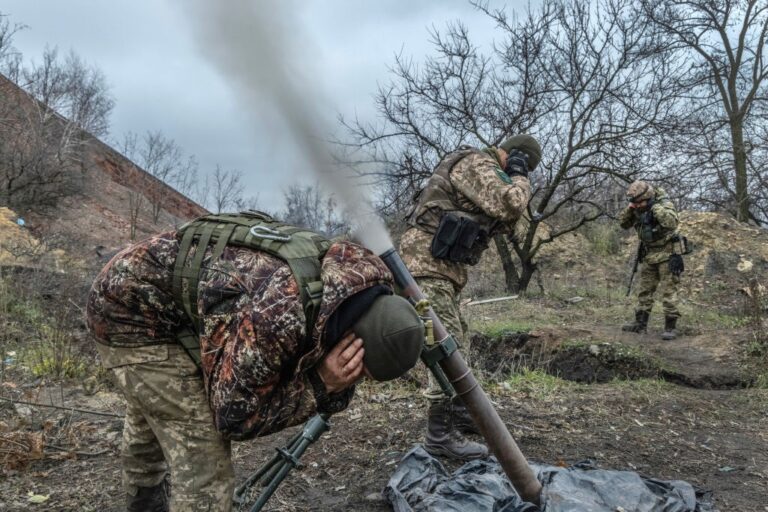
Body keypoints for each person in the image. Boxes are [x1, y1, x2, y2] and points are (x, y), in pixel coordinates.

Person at [86, 213, 424, 512]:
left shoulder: (361, 280)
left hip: (150, 285)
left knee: (157, 409)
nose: (356, 379)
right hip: (126, 311)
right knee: (204, 464)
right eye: (360, 372)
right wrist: (319, 384)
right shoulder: (280, 318)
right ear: (352, 342)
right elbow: (233, 417)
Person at [399, 135, 538, 460]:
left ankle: (462, 412)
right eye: (521, 163)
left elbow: (508, 221)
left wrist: (513, 184)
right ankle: (439, 435)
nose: (520, 171)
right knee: (446, 347)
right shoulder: (476, 162)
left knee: (457, 337)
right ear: (513, 155)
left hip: (440, 268)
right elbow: (511, 203)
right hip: (426, 265)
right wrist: (520, 178)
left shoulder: (486, 175)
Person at [619, 180, 684, 340]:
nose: (637, 205)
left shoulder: (663, 204)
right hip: (649, 254)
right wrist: (630, 209)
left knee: (669, 291)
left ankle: (670, 327)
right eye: (635, 202)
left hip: (667, 253)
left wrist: (654, 207)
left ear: (648, 198)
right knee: (645, 290)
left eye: (639, 202)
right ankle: (640, 324)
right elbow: (623, 224)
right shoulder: (637, 207)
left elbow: (671, 223)